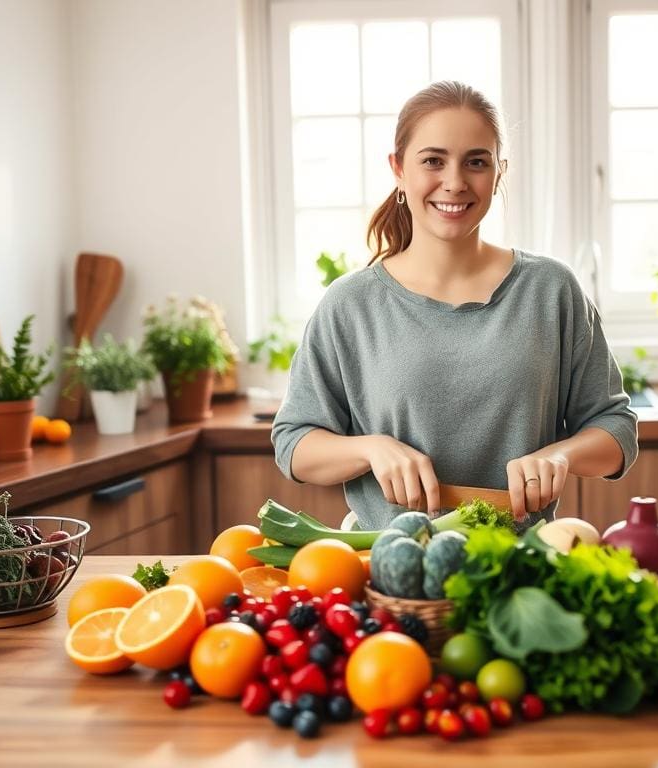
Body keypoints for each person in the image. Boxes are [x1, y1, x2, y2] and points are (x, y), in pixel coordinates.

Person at [272, 80, 637, 532]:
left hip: (521, 567)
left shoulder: (551, 291)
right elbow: (294, 443)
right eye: (433, 160)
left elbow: (616, 428)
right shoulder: (351, 304)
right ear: (399, 169)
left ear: (499, 172)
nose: (455, 182)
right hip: (389, 570)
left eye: (476, 162)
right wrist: (370, 448)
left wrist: (560, 454)